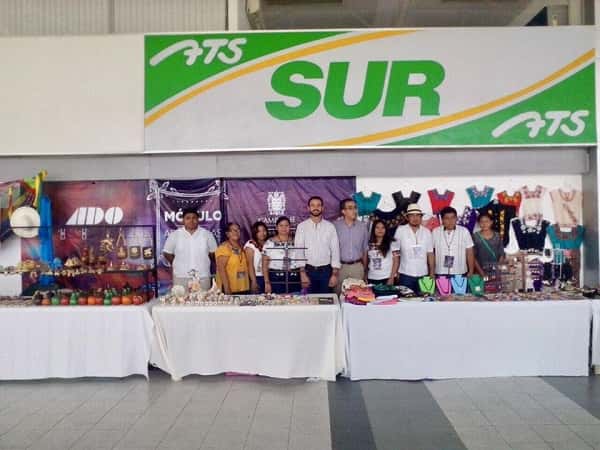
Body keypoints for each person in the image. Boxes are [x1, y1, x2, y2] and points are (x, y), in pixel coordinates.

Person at [162, 207, 217, 291]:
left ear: (198, 220)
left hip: (202, 276)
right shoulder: (175, 235)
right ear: (183, 220)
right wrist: (177, 263)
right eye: (188, 218)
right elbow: (167, 253)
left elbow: (213, 254)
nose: (191, 220)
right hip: (181, 277)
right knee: (180, 299)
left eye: (194, 218)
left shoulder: (207, 235)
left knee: (203, 299)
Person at [295, 196, 341, 294]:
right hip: (308, 270)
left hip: (326, 271)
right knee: (309, 301)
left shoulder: (330, 227)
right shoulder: (302, 227)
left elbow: (335, 250)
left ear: (322, 208)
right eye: (312, 205)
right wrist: (302, 274)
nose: (315, 208)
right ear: (308, 208)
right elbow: (299, 251)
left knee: (326, 300)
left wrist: (334, 274)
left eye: (318, 205)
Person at [393, 203, 435, 293]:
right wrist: (395, 273)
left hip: (423, 274)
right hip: (405, 274)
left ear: (421, 217)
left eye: (418, 215)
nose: (415, 218)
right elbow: (395, 252)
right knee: (405, 300)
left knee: (424, 300)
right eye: (412, 215)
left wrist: (432, 272)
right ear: (407, 217)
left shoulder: (427, 232)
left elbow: (430, 254)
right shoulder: (400, 230)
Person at [334, 198, 369, 293]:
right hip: (340, 267)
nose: (354, 210)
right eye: (350, 208)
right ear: (343, 211)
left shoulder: (362, 227)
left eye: (355, 208)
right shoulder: (335, 226)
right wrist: (333, 271)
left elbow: (365, 250)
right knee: (339, 295)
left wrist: (365, 270)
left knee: (357, 296)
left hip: (357, 267)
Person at [262, 216, 302, 294]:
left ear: (290, 227)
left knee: (294, 299)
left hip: (294, 277)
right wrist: (267, 282)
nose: (284, 228)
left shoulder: (296, 241)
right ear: (276, 227)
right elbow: (264, 265)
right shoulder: (269, 243)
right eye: (281, 225)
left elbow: (300, 260)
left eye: (286, 225)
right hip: (276, 278)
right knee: (277, 300)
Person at [432, 206, 475, 277]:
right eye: (447, 218)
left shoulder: (464, 231)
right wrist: (432, 271)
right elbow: (431, 253)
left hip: (460, 272)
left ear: (456, 218)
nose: (450, 221)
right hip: (440, 272)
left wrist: (471, 271)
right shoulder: (435, 232)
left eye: (453, 218)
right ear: (442, 220)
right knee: (442, 285)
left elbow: (470, 252)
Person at [215, 222, 250, 294]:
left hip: (243, 287)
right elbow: (221, 269)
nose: (236, 232)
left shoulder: (241, 246)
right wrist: (227, 288)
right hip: (230, 289)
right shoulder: (224, 247)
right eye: (233, 230)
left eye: (238, 230)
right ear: (227, 234)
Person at [473, 212, 506, 278]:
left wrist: (497, 269)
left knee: (496, 284)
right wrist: (481, 272)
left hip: (495, 271)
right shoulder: (475, 237)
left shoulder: (497, 236)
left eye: (487, 221)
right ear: (478, 223)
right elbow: (473, 257)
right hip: (480, 271)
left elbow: (501, 254)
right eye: (481, 222)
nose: (484, 224)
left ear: (491, 222)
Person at [366, 220, 399, 285]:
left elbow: (396, 261)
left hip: (387, 277)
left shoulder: (393, 242)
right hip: (372, 278)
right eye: (377, 227)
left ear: (386, 229)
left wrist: (391, 278)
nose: (380, 230)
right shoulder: (369, 243)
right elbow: (367, 261)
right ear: (373, 229)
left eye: (383, 227)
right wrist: (365, 275)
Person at [244, 221, 268, 293]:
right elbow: (250, 265)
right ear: (255, 233)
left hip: (268, 276)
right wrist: (253, 281)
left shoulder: (268, 243)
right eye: (259, 231)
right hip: (256, 277)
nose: (262, 233)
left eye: (264, 230)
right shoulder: (250, 245)